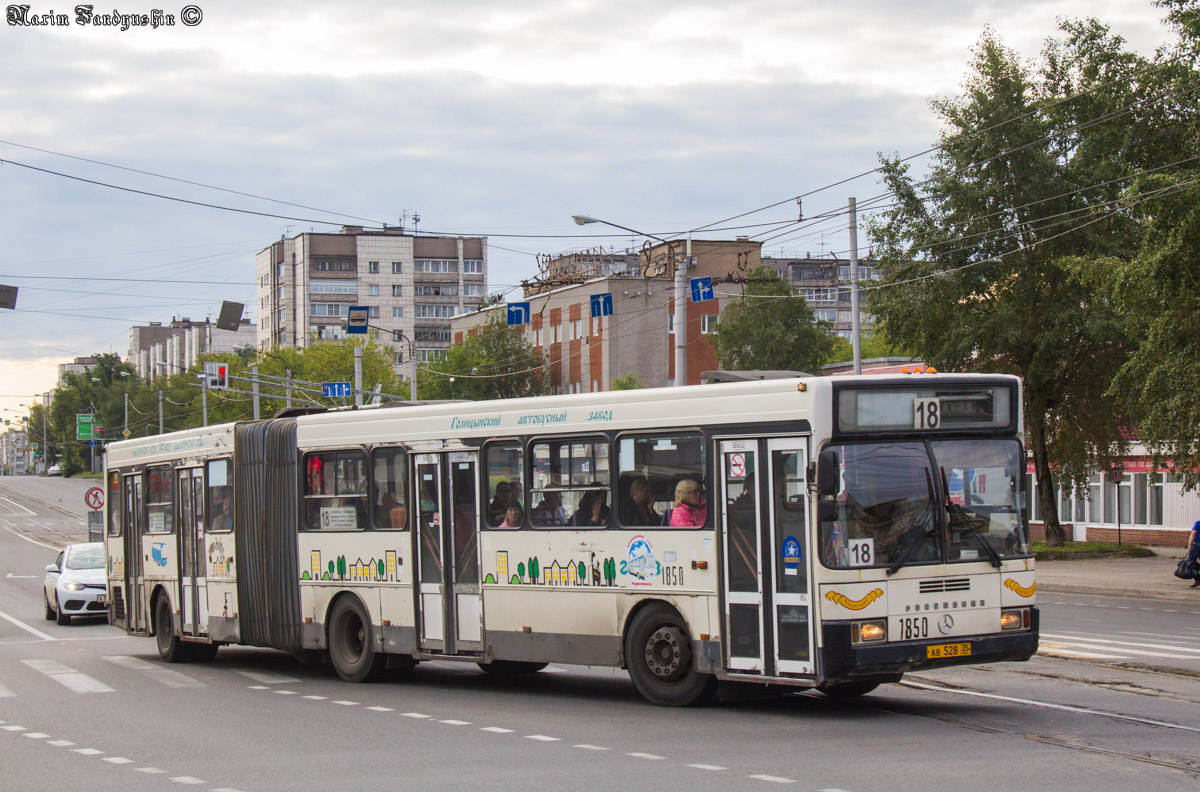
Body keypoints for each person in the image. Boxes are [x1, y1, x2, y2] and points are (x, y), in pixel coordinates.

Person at [1187, 519, 1200, 588]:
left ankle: (1197, 579)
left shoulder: (1198, 523)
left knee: (1191, 562)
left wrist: (1189, 545)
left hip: (1197, 545)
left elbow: (1193, 533)